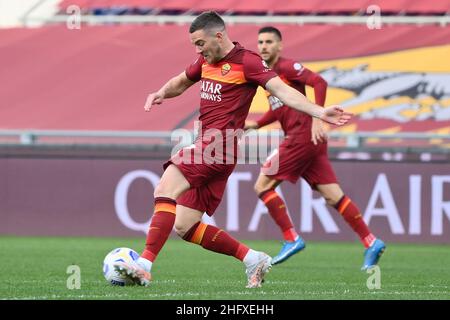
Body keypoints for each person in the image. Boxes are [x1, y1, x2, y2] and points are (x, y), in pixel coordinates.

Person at [114, 12, 352, 289]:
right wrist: (160, 93)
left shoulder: (248, 62)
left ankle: (143, 265)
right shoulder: (205, 60)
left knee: (164, 188)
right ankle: (252, 258)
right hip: (217, 151)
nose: (197, 50)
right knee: (185, 225)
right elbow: (181, 81)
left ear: (218, 36)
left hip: (217, 146)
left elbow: (283, 91)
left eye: (200, 43)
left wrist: (320, 111)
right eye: (194, 45)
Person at [244, 26, 385, 269]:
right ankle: (371, 241)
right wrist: (257, 124)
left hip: (302, 136)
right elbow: (279, 107)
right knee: (333, 196)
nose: (264, 46)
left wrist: (319, 118)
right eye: (260, 42)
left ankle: (291, 238)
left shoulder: (287, 67)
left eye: (269, 42)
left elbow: (319, 81)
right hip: (311, 141)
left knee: (262, 185)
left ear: (279, 46)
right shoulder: (269, 75)